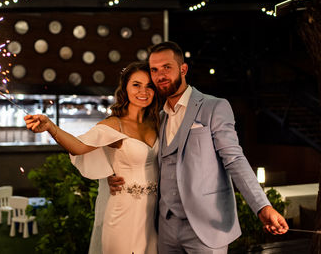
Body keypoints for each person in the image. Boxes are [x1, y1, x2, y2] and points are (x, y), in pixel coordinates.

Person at [108, 41, 289, 253]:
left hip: (207, 226)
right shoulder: (159, 118)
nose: (160, 76)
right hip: (165, 228)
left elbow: (234, 159)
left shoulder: (214, 107)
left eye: (167, 67)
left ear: (183, 69)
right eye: (154, 70)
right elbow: (147, 160)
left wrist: (262, 207)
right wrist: (114, 176)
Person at [24, 61, 160, 254]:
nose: (143, 91)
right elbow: (79, 147)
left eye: (149, 86)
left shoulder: (157, 123)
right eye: (136, 85)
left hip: (152, 217)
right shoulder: (115, 124)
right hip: (122, 214)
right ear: (125, 89)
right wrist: (51, 127)